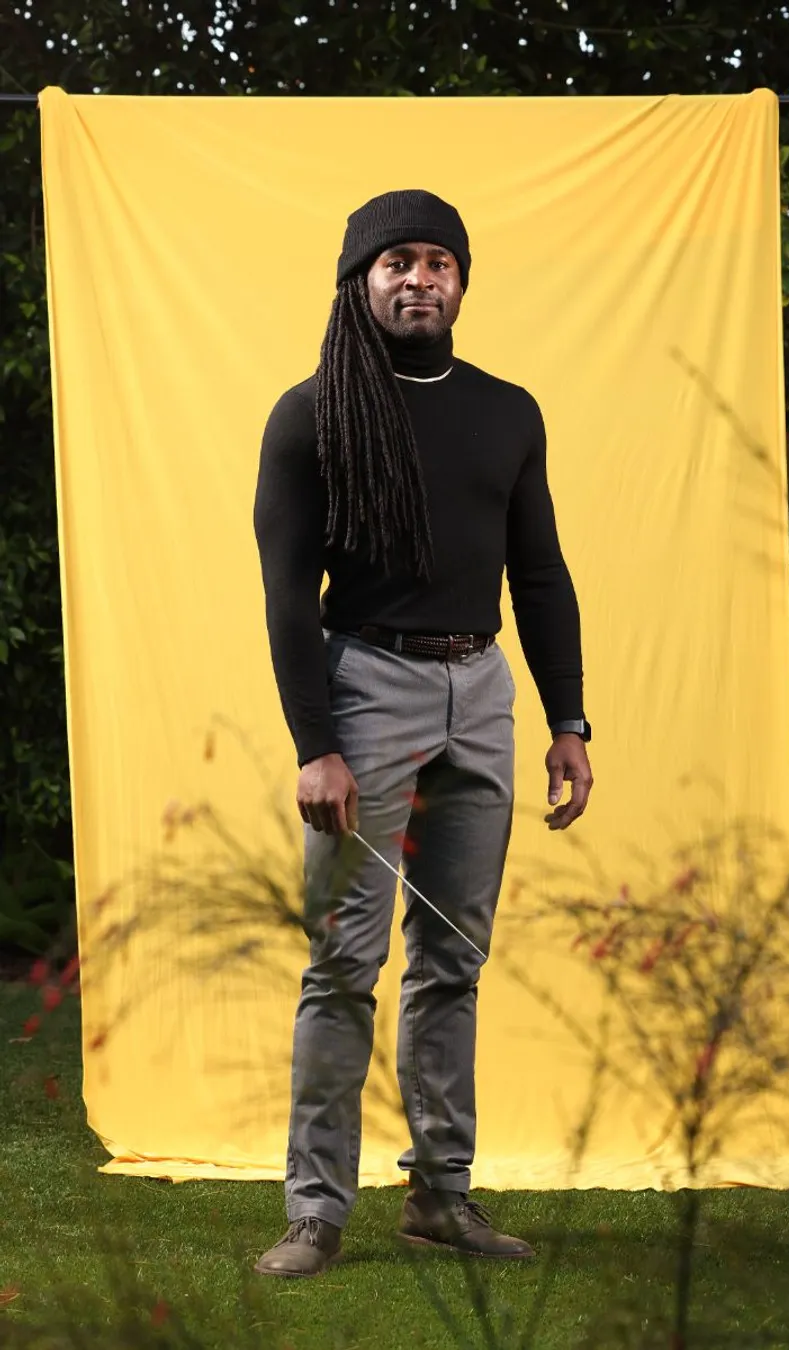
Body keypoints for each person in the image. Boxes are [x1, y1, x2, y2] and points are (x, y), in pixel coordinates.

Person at [252, 189, 593, 1278]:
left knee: (453, 958)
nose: (419, 278)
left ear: (460, 282)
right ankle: (315, 1211)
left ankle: (441, 1198)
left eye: (438, 262)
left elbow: (539, 576)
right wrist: (317, 743)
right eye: (396, 260)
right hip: (364, 689)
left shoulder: (507, 412)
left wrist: (568, 721)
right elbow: (285, 596)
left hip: (480, 691)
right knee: (344, 962)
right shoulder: (312, 415)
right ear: (361, 280)